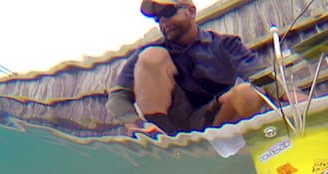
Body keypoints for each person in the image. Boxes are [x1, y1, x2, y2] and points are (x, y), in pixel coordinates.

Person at [107, 0, 268, 136]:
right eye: (158, 18)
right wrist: (135, 123)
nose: (163, 21)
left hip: (218, 120)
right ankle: (164, 142)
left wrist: (288, 95)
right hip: (170, 130)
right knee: (151, 57)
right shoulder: (148, 53)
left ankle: (224, 145)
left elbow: (260, 74)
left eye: (168, 12)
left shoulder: (225, 45)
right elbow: (118, 95)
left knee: (250, 93)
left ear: (191, 11)